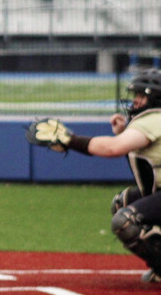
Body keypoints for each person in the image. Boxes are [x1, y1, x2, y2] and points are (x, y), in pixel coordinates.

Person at [27, 68, 161, 283]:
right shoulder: (152, 121)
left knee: (125, 221)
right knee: (122, 203)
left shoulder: (154, 119)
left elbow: (112, 149)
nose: (135, 101)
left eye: (141, 95)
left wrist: (70, 140)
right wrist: (123, 132)